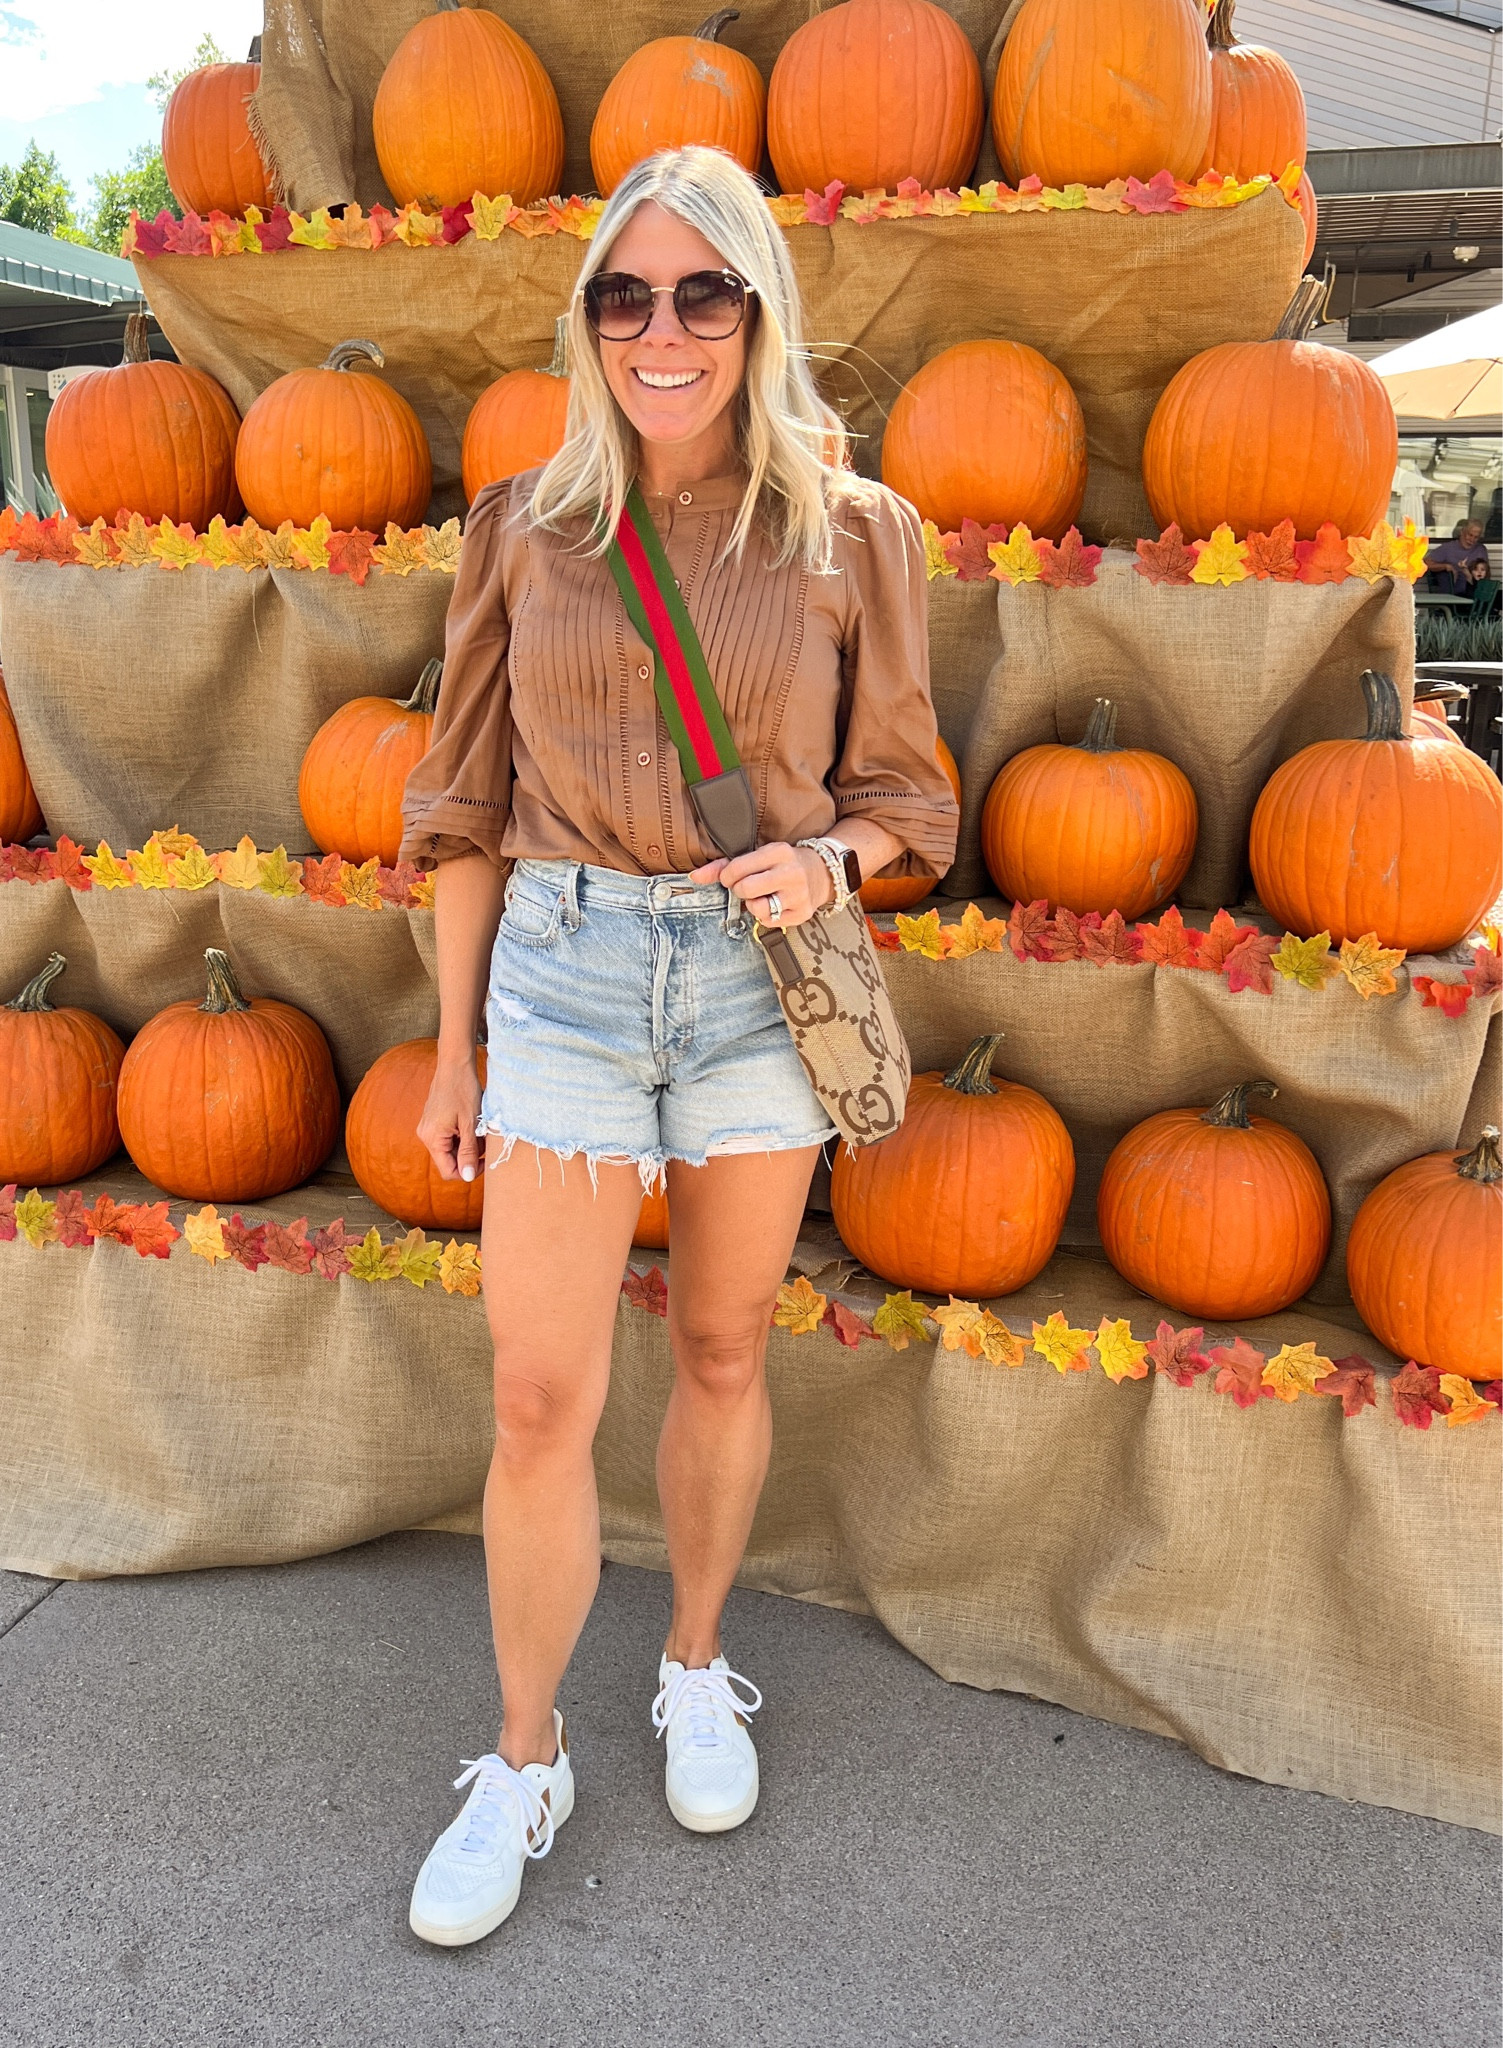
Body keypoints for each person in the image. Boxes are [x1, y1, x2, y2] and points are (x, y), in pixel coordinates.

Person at [398, 144, 958, 1948]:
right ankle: (522, 1755)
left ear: (756, 310)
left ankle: (695, 1665)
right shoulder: (521, 526)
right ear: (586, 322)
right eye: (624, 295)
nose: (663, 329)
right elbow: (459, 806)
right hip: (561, 972)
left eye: (701, 291)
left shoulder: (856, 533)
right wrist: (455, 1046)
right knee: (537, 1394)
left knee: (718, 1345)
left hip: (749, 982)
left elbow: (909, 797)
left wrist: (831, 856)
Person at [1424, 519, 1490, 595]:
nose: (1472, 539)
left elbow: (1486, 575)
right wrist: (1445, 566)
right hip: (1452, 594)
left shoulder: (1481, 550)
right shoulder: (1448, 548)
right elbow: (1426, 563)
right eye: (1470, 535)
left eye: (1476, 537)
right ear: (1462, 532)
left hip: (1475, 593)